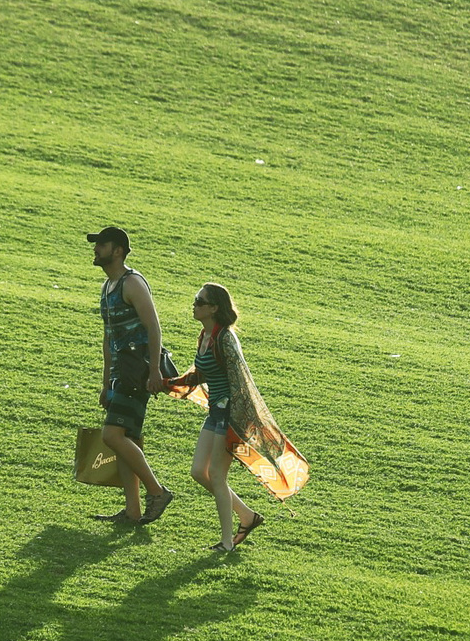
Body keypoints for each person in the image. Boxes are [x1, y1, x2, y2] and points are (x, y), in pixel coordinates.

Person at [153, 283, 307, 551]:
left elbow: (241, 383)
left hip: (230, 414)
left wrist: (239, 423)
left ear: (213, 308)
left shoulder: (225, 339)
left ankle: (227, 543)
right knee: (198, 472)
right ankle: (247, 516)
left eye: (199, 301)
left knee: (215, 474)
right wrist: (168, 383)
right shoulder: (205, 336)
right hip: (216, 412)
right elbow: (200, 374)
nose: (194, 305)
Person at [89, 226, 174, 526]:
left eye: (102, 244)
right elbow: (108, 338)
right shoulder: (108, 288)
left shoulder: (132, 282)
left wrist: (153, 370)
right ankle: (133, 511)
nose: (96, 249)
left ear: (119, 251)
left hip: (137, 368)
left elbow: (154, 327)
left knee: (112, 435)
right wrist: (105, 383)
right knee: (127, 438)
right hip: (120, 372)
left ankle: (157, 491)